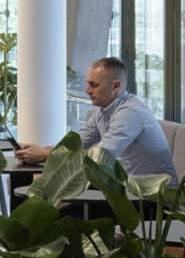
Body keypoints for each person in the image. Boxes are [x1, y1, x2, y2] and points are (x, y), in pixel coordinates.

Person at [15, 55, 176, 178]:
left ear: (116, 86)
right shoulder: (102, 111)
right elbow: (77, 144)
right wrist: (39, 150)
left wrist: (44, 155)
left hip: (153, 198)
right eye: (88, 84)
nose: (87, 90)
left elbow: (100, 157)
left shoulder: (130, 113)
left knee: (58, 196)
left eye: (94, 85)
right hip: (126, 189)